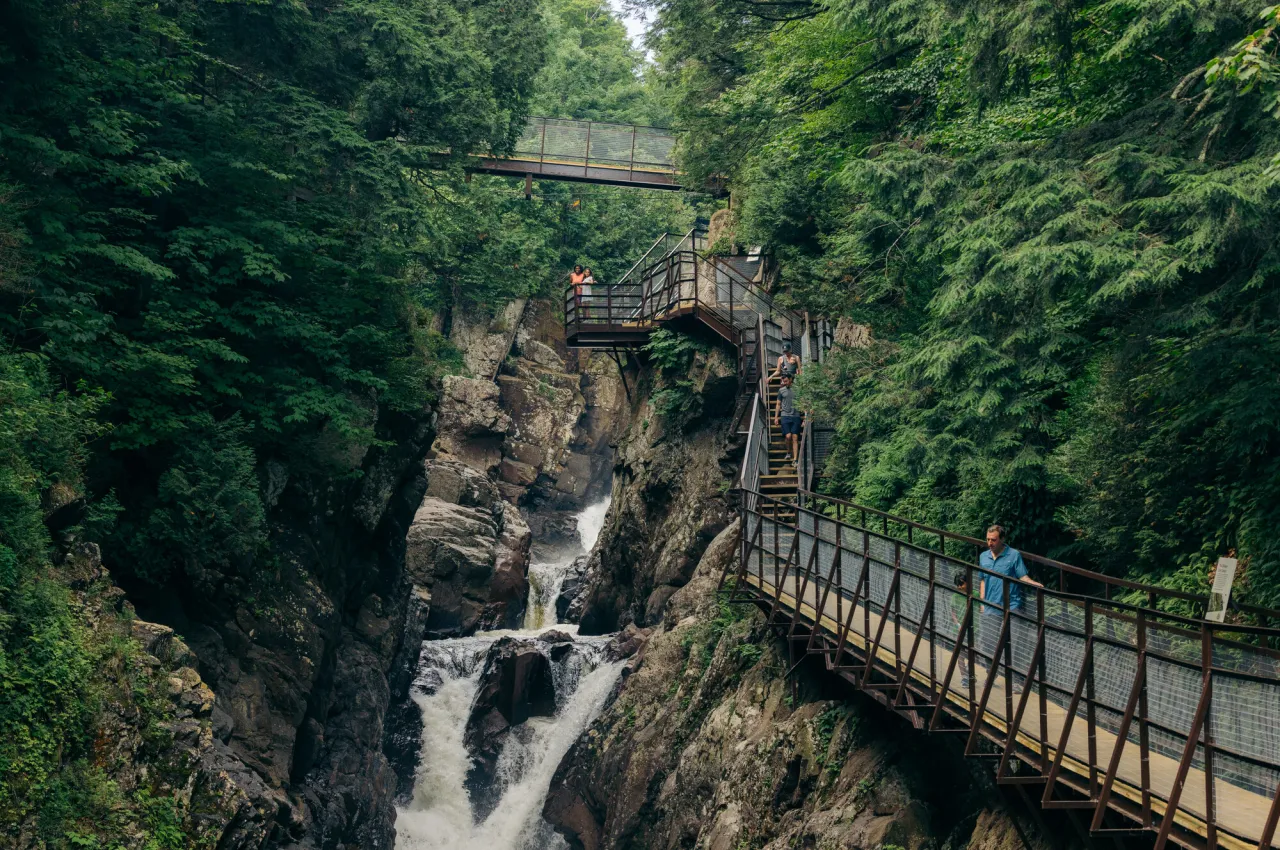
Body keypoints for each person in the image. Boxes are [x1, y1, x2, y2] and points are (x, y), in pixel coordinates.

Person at [977, 524, 1043, 676]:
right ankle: (991, 673)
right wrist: (982, 603)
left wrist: (1033, 583)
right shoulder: (983, 557)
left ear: (1002, 539)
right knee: (988, 643)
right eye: (987, 539)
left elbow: (1022, 576)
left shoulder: (1014, 555)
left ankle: (1016, 682)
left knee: (1016, 645)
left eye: (993, 540)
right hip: (990, 606)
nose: (990, 543)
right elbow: (982, 580)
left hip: (1012, 606)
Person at [951, 571, 978, 689]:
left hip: (975, 629)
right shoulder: (955, 595)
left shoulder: (975, 594)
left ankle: (969, 672)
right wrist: (957, 624)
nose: (959, 587)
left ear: (968, 582)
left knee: (973, 653)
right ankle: (964, 677)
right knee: (960, 653)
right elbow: (953, 612)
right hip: (959, 629)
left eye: (961, 584)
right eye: (957, 584)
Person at [773, 374, 802, 466]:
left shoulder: (798, 389)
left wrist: (805, 418)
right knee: (788, 436)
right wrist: (776, 417)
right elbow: (778, 404)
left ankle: (795, 459)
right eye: (783, 381)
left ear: (790, 379)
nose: (784, 383)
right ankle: (789, 452)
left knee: (795, 437)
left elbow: (804, 402)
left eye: (786, 381)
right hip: (785, 415)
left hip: (796, 415)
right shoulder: (781, 390)